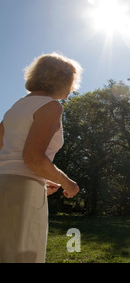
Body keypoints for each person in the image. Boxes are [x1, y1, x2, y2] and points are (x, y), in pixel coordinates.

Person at [0, 53, 82, 263]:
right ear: (62, 80)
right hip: (23, 193)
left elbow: (9, 156)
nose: (73, 88)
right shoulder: (51, 106)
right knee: (23, 257)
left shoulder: (14, 108)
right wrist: (68, 183)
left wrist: (42, 181)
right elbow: (33, 158)